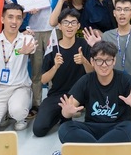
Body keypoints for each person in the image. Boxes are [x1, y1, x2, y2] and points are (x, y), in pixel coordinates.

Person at [84, 0, 131, 138]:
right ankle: (126, 118)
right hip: (116, 84)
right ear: (114, 13)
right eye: (119, 9)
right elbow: (98, 67)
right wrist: (95, 46)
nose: (122, 13)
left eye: (126, 9)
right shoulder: (107, 36)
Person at [57, 40, 131, 144]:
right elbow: (66, 112)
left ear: (114, 61)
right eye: (99, 60)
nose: (104, 65)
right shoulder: (86, 80)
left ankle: (93, 149)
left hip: (117, 128)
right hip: (91, 128)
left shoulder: (125, 80)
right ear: (92, 61)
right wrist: (67, 111)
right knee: (65, 128)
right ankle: (103, 149)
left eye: (108, 60)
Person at [0, 3, 37, 132]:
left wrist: (22, 52)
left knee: (17, 110)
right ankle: (4, 113)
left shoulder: (27, 39)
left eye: (18, 18)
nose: (14, 21)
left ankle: (20, 118)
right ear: (2, 19)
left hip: (20, 87)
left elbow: (29, 49)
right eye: (10, 17)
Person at [32, 8, 93, 137]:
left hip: (80, 94)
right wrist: (55, 66)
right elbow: (43, 80)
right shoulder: (53, 48)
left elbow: (93, 74)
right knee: (39, 129)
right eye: (66, 22)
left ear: (78, 26)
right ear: (59, 26)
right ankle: (62, 115)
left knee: (94, 124)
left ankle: (68, 114)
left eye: (73, 22)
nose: (69, 26)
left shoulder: (84, 45)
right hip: (57, 95)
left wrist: (84, 61)